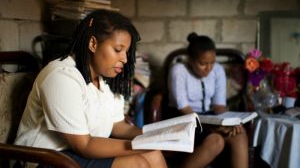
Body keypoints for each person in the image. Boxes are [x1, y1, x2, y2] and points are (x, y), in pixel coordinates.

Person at [14, 9, 167, 168]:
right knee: (137, 163)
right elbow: (84, 145)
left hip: (75, 153)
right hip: (46, 158)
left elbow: (118, 126)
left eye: (127, 52)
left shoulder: (103, 80)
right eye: (117, 50)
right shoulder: (62, 76)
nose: (125, 58)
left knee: (153, 154)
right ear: (93, 44)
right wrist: (140, 145)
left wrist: (158, 135)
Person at [167, 32, 248, 168]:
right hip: (183, 119)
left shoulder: (217, 70)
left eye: (212, 62)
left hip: (209, 117)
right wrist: (214, 127)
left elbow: (219, 106)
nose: (209, 68)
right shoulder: (179, 71)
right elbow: (185, 110)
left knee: (239, 133)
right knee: (216, 141)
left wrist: (229, 122)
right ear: (191, 60)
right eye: (203, 63)